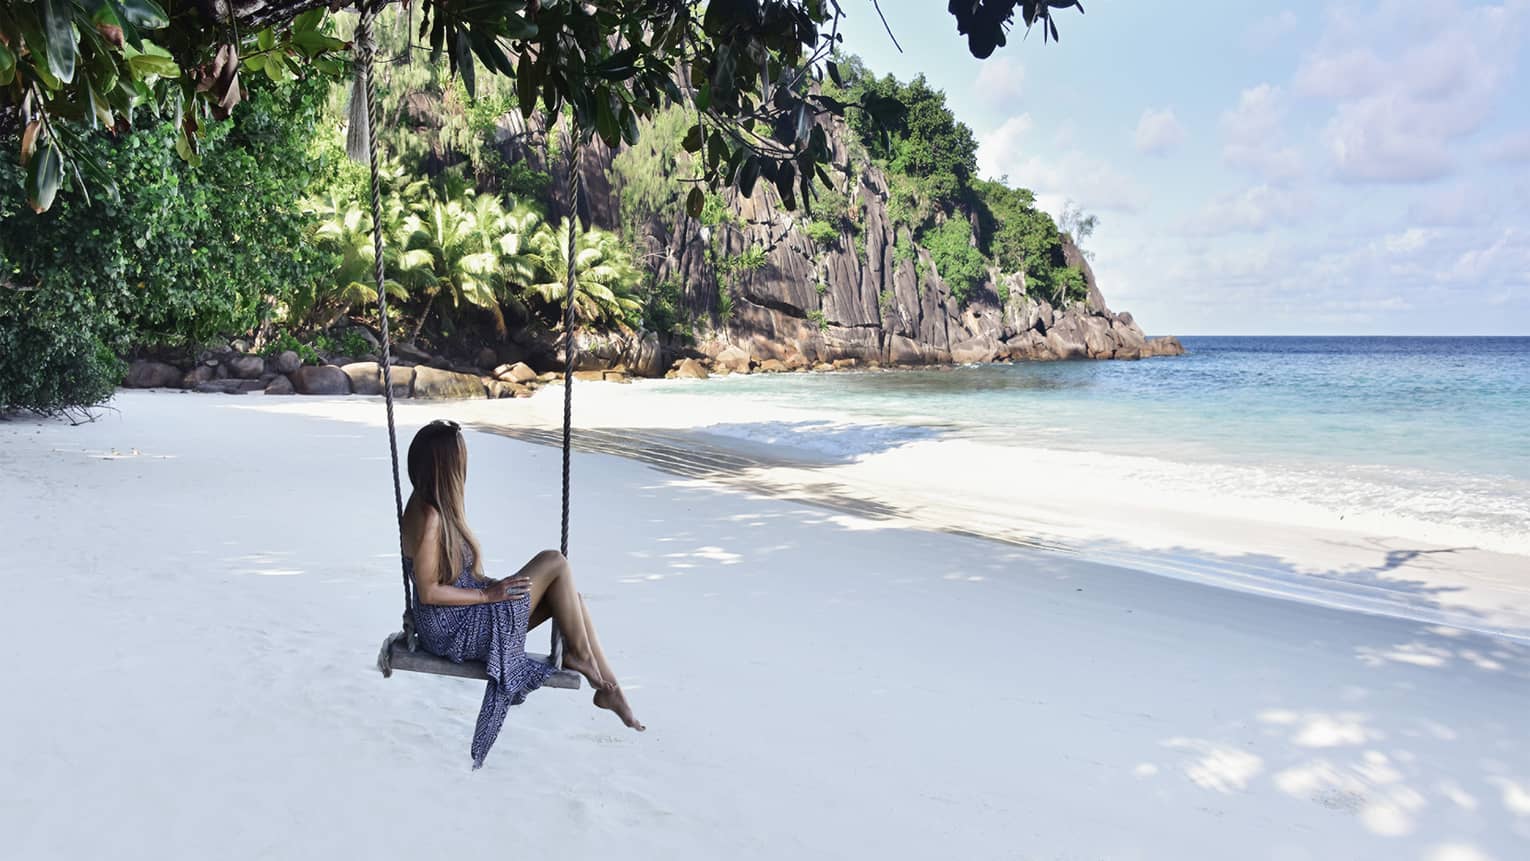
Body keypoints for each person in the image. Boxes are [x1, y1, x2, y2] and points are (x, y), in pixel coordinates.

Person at [400, 419, 643, 767]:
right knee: (554, 561)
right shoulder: (430, 515)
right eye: (462, 457)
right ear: (447, 466)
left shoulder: (429, 505)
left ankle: (610, 689)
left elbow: (449, 575)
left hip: (460, 617)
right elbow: (427, 592)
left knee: (570, 601)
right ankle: (588, 666)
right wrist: (488, 596)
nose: (466, 465)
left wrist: (488, 589)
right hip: (452, 630)